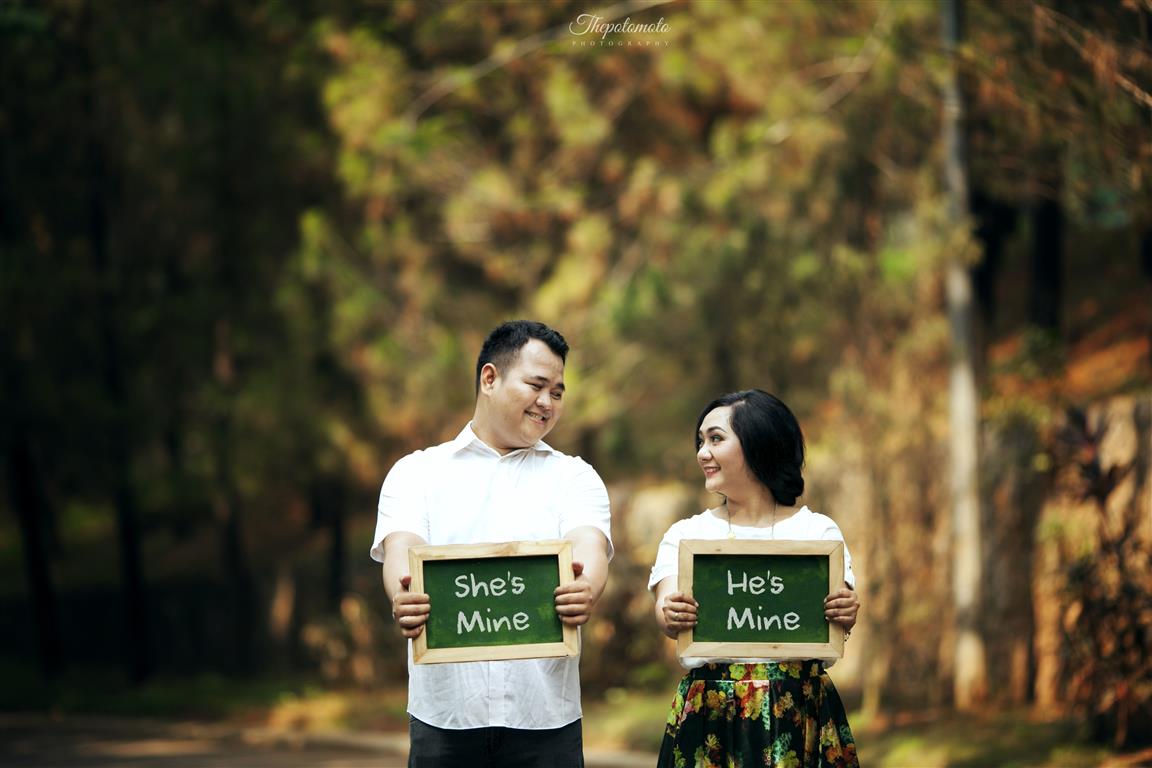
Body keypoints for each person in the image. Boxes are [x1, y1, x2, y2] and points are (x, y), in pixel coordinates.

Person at [370, 320, 612, 768]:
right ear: (489, 378)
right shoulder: (417, 472)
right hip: (445, 718)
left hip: (546, 720)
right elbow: (402, 545)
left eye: (557, 392)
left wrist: (588, 587)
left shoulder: (574, 477)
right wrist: (403, 592)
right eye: (536, 385)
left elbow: (589, 545)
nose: (548, 402)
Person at [649, 389, 860, 768]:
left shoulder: (818, 532)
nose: (702, 453)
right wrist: (671, 613)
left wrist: (846, 611)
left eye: (715, 439)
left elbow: (838, 619)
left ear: (760, 442)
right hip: (711, 711)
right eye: (700, 441)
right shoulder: (686, 534)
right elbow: (666, 609)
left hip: (799, 708)